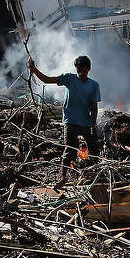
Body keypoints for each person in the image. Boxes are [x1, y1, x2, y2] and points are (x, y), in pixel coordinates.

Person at [28, 54, 101, 187]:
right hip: (70, 121)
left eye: (83, 70)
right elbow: (47, 80)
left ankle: (97, 174)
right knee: (69, 151)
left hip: (85, 122)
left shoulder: (94, 85)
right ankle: (63, 178)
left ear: (88, 69)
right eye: (78, 70)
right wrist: (34, 70)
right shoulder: (70, 79)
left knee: (94, 150)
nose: (81, 73)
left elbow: (94, 108)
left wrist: (93, 125)